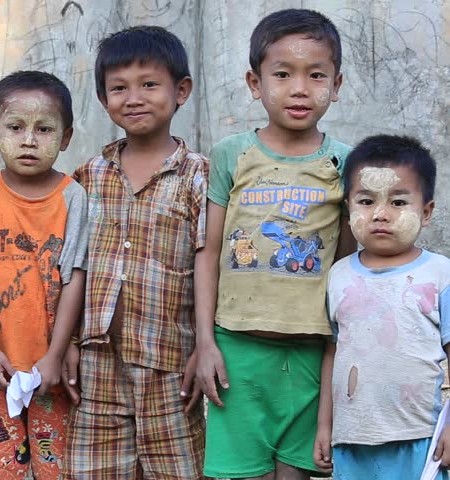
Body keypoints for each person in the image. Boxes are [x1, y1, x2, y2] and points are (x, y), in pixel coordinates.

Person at [194, 9, 357, 479]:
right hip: (237, 349)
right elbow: (209, 253)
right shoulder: (231, 154)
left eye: (316, 75)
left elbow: (346, 262)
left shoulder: (344, 163)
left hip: (310, 351)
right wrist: (206, 342)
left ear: (337, 84)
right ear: (255, 82)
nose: (299, 88)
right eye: (282, 74)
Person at [61, 26, 208, 479]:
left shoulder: (199, 177)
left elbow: (209, 262)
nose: (134, 97)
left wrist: (205, 345)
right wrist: (65, 341)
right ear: (104, 100)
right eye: (119, 88)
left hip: (171, 362)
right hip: (97, 361)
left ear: (181, 91)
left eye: (149, 84)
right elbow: (73, 266)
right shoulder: (88, 175)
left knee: (179, 470)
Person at [0, 70, 87, 479]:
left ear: (65, 138)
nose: (29, 140)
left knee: (56, 468)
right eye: (16, 127)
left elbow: (74, 279)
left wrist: (56, 351)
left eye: (44, 129)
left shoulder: (72, 197)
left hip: (52, 368)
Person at [314, 135, 450, 479]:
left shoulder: (439, 274)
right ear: (348, 209)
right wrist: (324, 427)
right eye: (366, 200)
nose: (380, 214)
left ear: (427, 212)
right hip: (352, 441)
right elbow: (333, 353)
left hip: (420, 439)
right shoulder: (338, 276)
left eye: (398, 203)